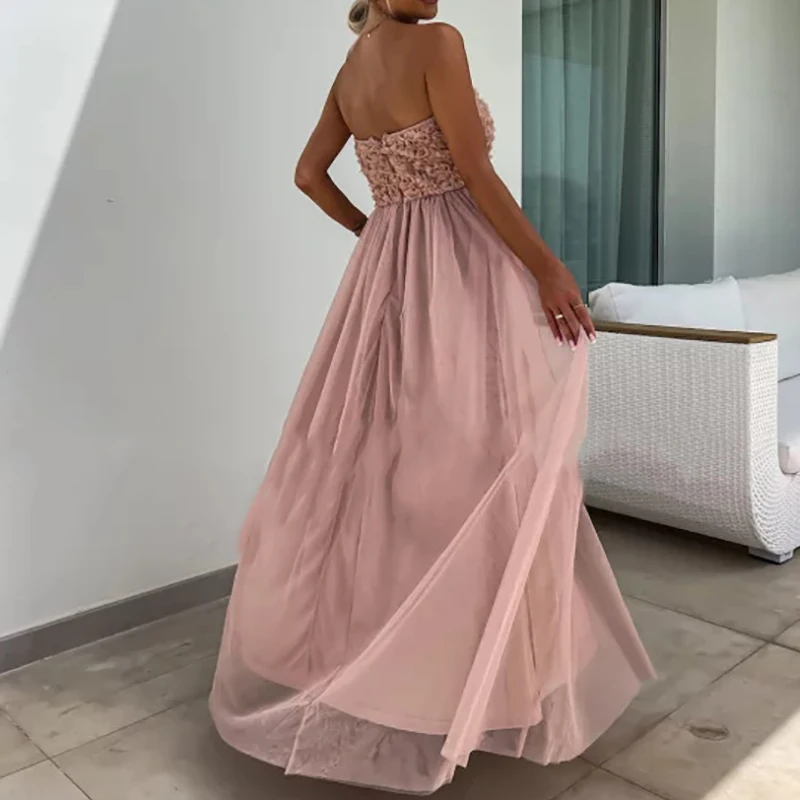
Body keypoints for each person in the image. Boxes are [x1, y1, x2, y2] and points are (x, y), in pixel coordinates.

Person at [210, 0, 654, 794]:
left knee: (390, 461)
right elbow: (475, 173)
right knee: (479, 453)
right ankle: (472, 675)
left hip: (386, 271)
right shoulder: (437, 43)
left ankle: (391, 664)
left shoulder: (351, 70)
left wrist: (375, 231)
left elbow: (308, 176)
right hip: (461, 264)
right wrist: (549, 269)